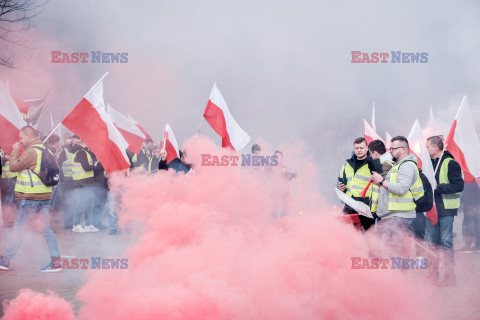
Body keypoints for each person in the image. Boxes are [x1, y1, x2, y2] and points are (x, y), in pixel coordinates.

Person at [0, 126, 62, 272]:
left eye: (21, 138)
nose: (20, 141)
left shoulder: (32, 151)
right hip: (45, 195)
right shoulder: (47, 150)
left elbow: (14, 167)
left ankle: (5, 261)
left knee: (19, 229)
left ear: (28, 136)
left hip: (31, 197)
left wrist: (15, 150)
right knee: (46, 229)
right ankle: (56, 261)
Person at [370, 136, 422, 257]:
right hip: (396, 215)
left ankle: (398, 275)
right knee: (395, 252)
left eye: (393, 148)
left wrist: (382, 181)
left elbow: (401, 188)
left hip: (399, 216)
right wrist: (379, 182)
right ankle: (399, 275)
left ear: (403, 149)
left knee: (391, 252)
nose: (390, 151)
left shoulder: (407, 166)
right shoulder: (399, 165)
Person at [425, 135, 464, 286]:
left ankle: (449, 278)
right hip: (431, 209)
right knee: (431, 244)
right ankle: (432, 276)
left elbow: (459, 186)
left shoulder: (451, 163)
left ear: (435, 147)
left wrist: (438, 187)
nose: (426, 149)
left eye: (427, 146)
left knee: (446, 243)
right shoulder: (428, 164)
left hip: (446, 210)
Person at [338, 137, 380, 231]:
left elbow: (380, 183)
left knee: (368, 237)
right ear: (354, 149)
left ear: (367, 148)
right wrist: (341, 188)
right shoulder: (347, 165)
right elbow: (341, 181)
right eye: (357, 148)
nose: (359, 150)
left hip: (366, 207)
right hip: (349, 205)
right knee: (347, 235)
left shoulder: (373, 164)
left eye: (361, 148)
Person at [71, 139, 98, 232]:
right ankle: (76, 225)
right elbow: (86, 167)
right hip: (82, 182)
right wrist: (94, 166)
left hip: (86, 182)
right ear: (84, 142)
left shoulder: (85, 152)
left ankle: (88, 225)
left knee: (88, 204)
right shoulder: (81, 153)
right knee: (82, 203)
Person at [57, 135, 81, 229]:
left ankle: (74, 222)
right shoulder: (65, 151)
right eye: (75, 142)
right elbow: (59, 164)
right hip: (67, 180)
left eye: (78, 142)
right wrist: (62, 177)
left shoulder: (79, 152)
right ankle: (68, 223)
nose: (77, 144)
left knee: (75, 202)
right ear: (71, 142)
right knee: (67, 202)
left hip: (77, 180)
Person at [458, 181, 480, 253]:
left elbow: (463, 195)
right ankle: (472, 245)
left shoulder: (467, 180)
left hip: (471, 207)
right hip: (471, 206)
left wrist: (460, 208)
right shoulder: (470, 179)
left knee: (471, 225)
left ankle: (474, 245)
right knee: (471, 225)